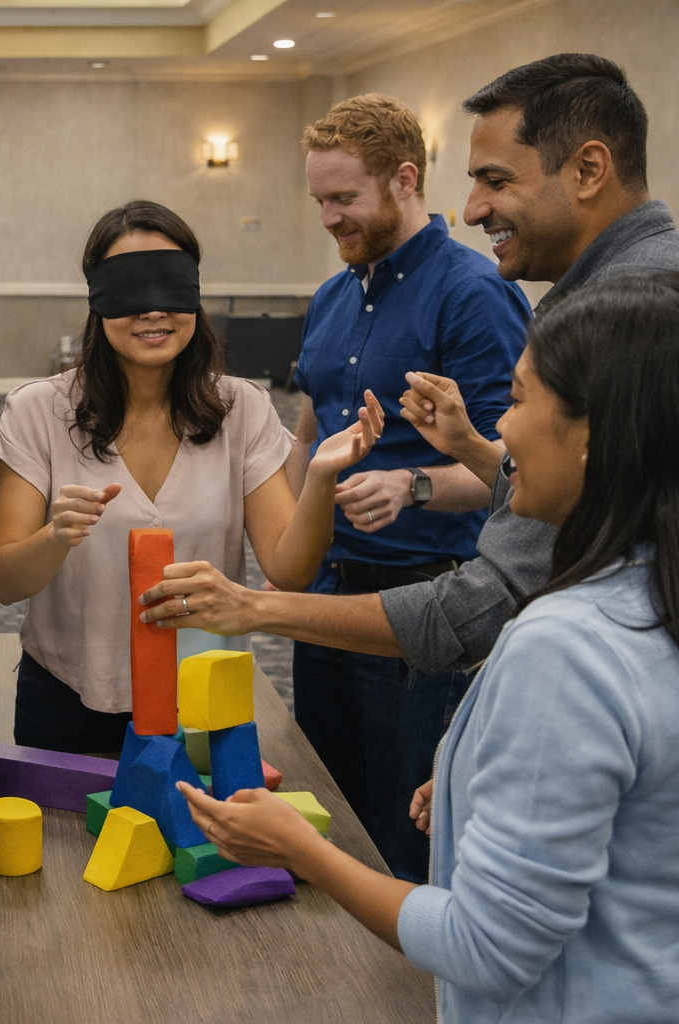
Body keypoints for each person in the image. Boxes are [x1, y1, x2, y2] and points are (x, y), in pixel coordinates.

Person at [177, 275, 679, 1024]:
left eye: (516, 400)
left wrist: (299, 848)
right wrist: (475, 771)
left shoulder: (566, 648)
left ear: (593, 438)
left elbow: (486, 949)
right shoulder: (650, 592)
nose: (502, 432)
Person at [142, 53, 679, 733]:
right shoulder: (340, 296)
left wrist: (258, 605)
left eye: (494, 179)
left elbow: (500, 583)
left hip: (451, 605)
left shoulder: (626, 311)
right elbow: (587, 495)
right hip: (342, 589)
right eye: (321, 202)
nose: (476, 206)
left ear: (589, 169)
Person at [0, 199, 383, 755]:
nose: (153, 311)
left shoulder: (242, 408)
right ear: (97, 299)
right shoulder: (36, 412)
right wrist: (53, 538)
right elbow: (3, 582)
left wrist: (318, 479)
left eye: (170, 286)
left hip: (201, 699)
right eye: (129, 289)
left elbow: (289, 570)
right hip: (70, 698)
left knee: (197, 839)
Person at [288, 92, 532, 883]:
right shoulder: (332, 295)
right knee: (325, 813)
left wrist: (411, 487)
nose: (328, 218)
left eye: (344, 199)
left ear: (403, 180)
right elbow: (305, 431)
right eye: (320, 200)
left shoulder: (473, 292)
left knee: (407, 839)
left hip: (425, 613)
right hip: (327, 598)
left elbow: (512, 471)